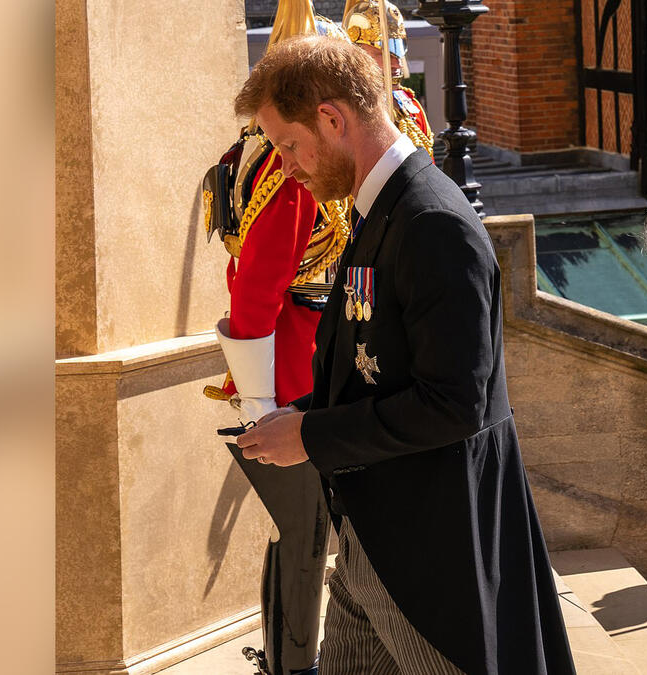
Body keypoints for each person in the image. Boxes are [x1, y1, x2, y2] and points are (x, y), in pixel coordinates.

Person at [233, 35, 577, 675]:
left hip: (430, 559)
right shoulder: (383, 208)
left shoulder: (430, 221)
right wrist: (301, 417)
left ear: (332, 119)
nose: (285, 168)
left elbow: (453, 404)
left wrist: (309, 434)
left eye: (288, 145)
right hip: (375, 535)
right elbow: (377, 367)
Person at [199, 3, 351, 674]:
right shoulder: (289, 174)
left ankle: (287, 659)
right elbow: (256, 290)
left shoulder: (262, 154)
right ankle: (295, 664)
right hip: (294, 372)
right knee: (307, 534)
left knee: (301, 533)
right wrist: (262, 403)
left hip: (295, 361)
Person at [342, 0, 434, 157]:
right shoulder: (343, 113)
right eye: (383, 53)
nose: (397, 63)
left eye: (397, 52)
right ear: (356, 55)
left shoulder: (410, 105)